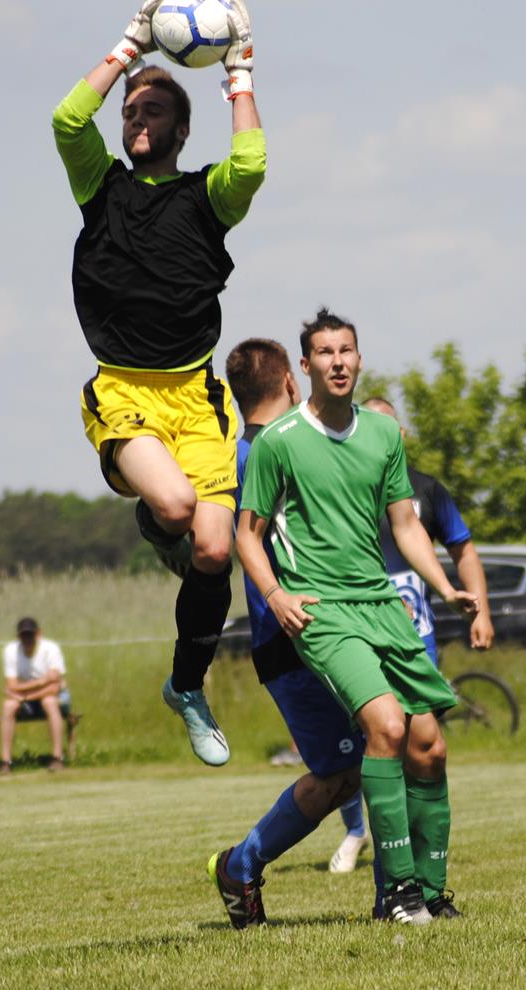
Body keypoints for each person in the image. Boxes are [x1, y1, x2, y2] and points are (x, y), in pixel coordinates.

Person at [52, 0, 261, 767]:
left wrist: (238, 70)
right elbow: (68, 121)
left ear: (180, 129)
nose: (137, 119)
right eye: (132, 109)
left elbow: (253, 165)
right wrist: (130, 45)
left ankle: (185, 686)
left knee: (214, 551)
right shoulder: (99, 189)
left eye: (154, 110)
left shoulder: (208, 199)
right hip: (125, 392)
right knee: (174, 506)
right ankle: (153, 521)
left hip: (197, 399)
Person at [234, 310, 478, 925]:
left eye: (347, 350)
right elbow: (248, 535)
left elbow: (405, 525)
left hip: (382, 605)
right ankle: (394, 894)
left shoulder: (383, 436)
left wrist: (447, 589)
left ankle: (429, 890)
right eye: (324, 352)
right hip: (324, 611)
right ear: (305, 367)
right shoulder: (279, 441)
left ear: (359, 361)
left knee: (431, 744)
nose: (338, 361)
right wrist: (276, 595)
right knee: (388, 728)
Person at [205, 338, 368, 929]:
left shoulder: (239, 456)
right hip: (293, 637)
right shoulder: (263, 455)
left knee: (370, 751)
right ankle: (241, 865)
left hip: (320, 630)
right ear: (293, 387)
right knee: (339, 773)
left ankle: (406, 887)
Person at [325, 398, 496, 877]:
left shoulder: (425, 492)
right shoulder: (342, 485)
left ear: (399, 434)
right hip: (356, 634)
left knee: (422, 746)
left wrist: (478, 610)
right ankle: (362, 834)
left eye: (388, 426)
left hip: (416, 639)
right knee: (373, 742)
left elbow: (462, 548)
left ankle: (411, 861)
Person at [0, 616, 78, 774]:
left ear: (39, 634)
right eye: (24, 635)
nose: (27, 639)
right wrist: (43, 681)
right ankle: (5, 761)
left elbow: (54, 688)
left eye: (31, 635)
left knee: (49, 702)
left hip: (49, 697)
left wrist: (25, 695)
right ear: (18, 637)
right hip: (28, 696)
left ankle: (57, 758)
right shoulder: (10, 651)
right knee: (8, 706)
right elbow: (11, 686)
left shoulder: (51, 649)